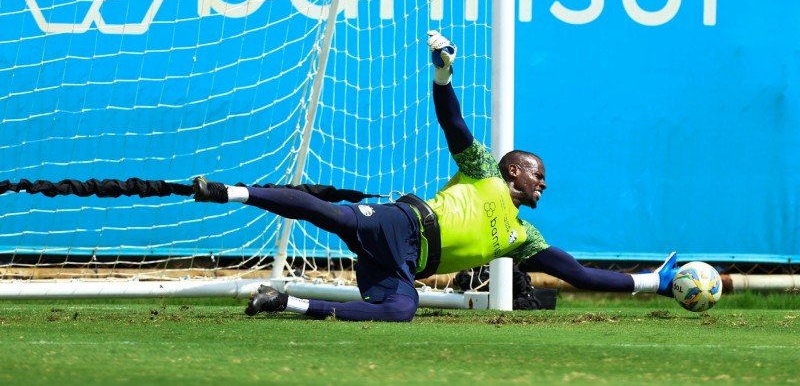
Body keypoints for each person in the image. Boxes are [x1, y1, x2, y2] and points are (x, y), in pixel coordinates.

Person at [193, 30, 678, 322]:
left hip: (402, 264)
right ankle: (232, 192)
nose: (543, 184)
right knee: (326, 213)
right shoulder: (484, 169)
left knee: (402, 310)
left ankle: (287, 305)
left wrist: (653, 284)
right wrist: (443, 74)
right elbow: (453, 123)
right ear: (514, 170)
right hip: (401, 223)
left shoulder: (523, 237)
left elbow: (578, 273)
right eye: (538, 174)